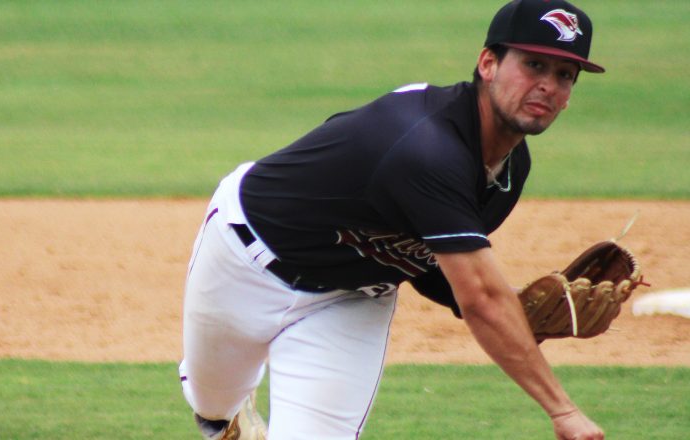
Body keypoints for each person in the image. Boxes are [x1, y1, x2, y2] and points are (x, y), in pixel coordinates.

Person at [179, 1, 607, 438]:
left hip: (350, 300)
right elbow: (480, 300)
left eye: (564, 75)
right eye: (533, 64)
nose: (547, 86)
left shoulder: (511, 169)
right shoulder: (426, 147)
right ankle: (228, 413)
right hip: (243, 260)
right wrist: (563, 410)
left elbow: (424, 259)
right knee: (215, 408)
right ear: (488, 63)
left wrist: (517, 316)